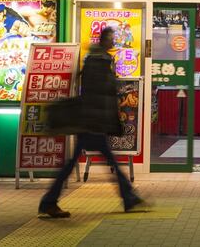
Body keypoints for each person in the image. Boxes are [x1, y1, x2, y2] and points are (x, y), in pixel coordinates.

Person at [39, 27, 143, 218]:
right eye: (111, 39)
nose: (113, 42)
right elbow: (98, 94)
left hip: (92, 121)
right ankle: (128, 197)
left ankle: (49, 201)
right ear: (104, 40)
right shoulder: (99, 61)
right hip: (93, 123)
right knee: (99, 161)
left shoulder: (97, 59)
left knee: (78, 163)